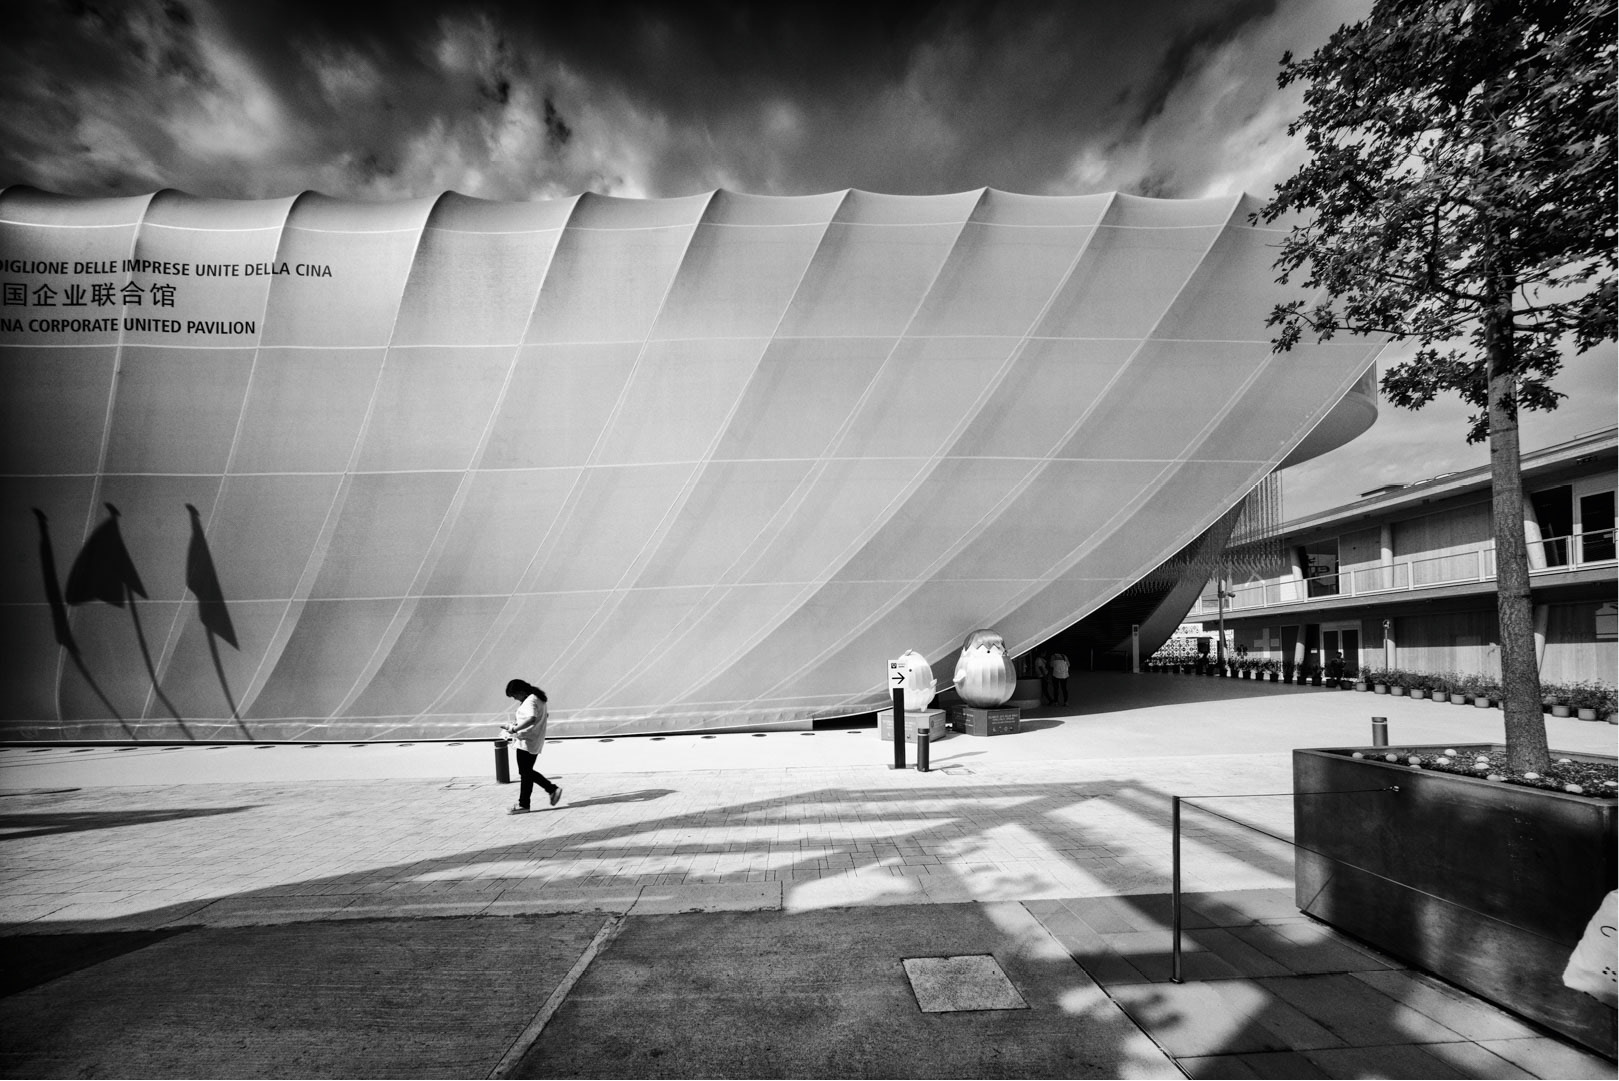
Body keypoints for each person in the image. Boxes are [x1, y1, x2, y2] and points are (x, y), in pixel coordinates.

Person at [502, 678, 561, 814]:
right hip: (533, 740)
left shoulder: (530, 700)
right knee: (526, 772)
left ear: (521, 691)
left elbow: (531, 718)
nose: (515, 699)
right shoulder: (538, 698)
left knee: (525, 772)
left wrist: (514, 729)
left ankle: (551, 789)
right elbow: (544, 715)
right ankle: (525, 804)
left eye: (515, 695)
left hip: (526, 741)